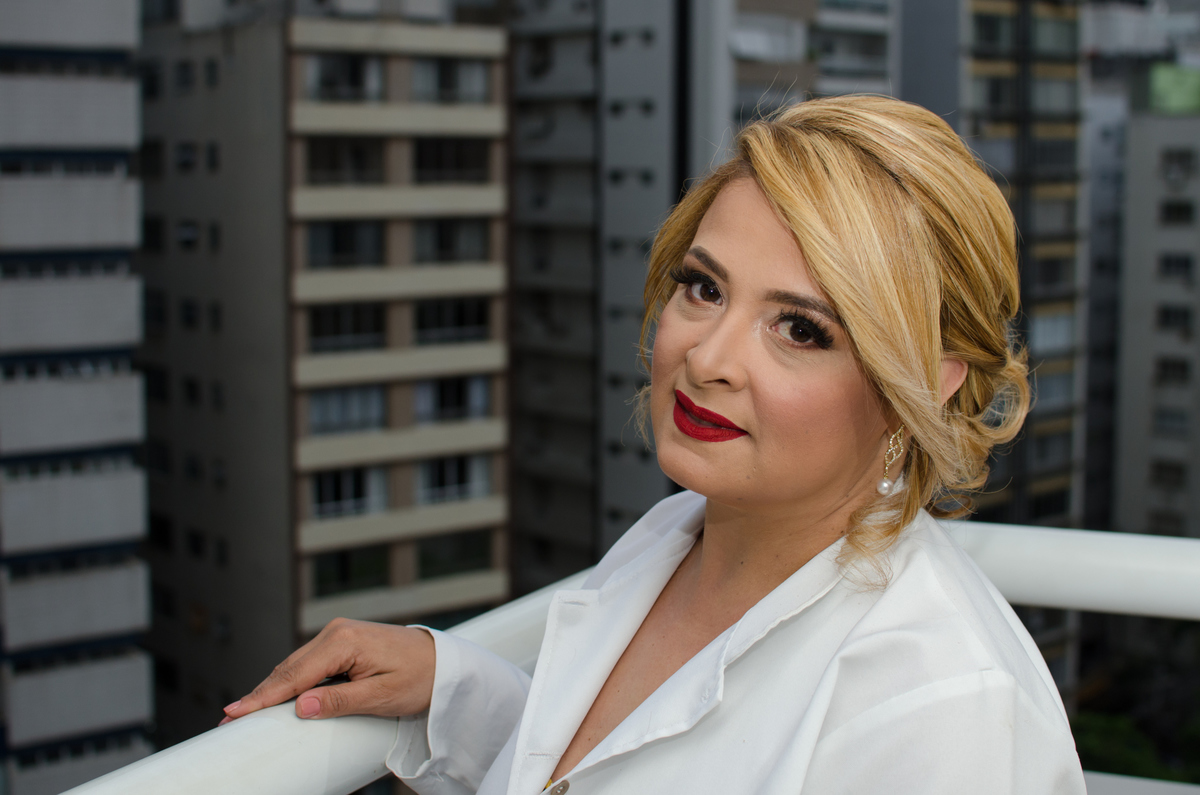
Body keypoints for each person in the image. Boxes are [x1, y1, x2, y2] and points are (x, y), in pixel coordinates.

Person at [222, 95, 1087, 794]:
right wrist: (452, 686)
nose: (707, 358)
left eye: (799, 328)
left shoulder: (944, 708)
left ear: (925, 382)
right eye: (704, 287)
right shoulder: (674, 539)